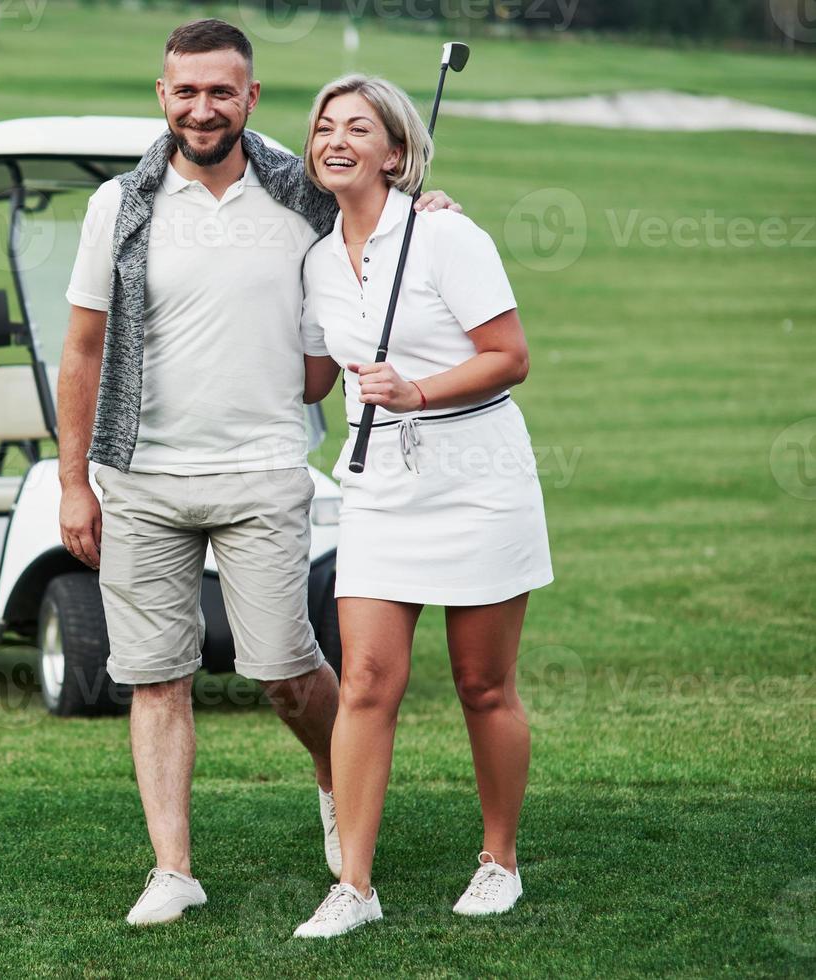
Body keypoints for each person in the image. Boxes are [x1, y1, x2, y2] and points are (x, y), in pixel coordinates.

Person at [54, 21, 458, 927]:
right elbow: (82, 347)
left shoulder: (300, 193)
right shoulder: (118, 205)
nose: (204, 108)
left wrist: (429, 209)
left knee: (282, 669)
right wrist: (73, 480)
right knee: (156, 675)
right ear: (162, 95)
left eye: (221, 92)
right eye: (186, 91)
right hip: (142, 476)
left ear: (251, 97)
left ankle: (332, 774)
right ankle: (173, 869)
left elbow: (377, 210)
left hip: (268, 468)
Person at [290, 74, 554, 940]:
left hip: (477, 477)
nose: (335, 139)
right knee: (366, 681)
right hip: (378, 488)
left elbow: (509, 356)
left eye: (358, 128)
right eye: (324, 126)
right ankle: (355, 885)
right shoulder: (317, 260)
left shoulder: (446, 235)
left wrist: (419, 392)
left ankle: (499, 860)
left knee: (483, 685)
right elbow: (311, 377)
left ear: (395, 152)